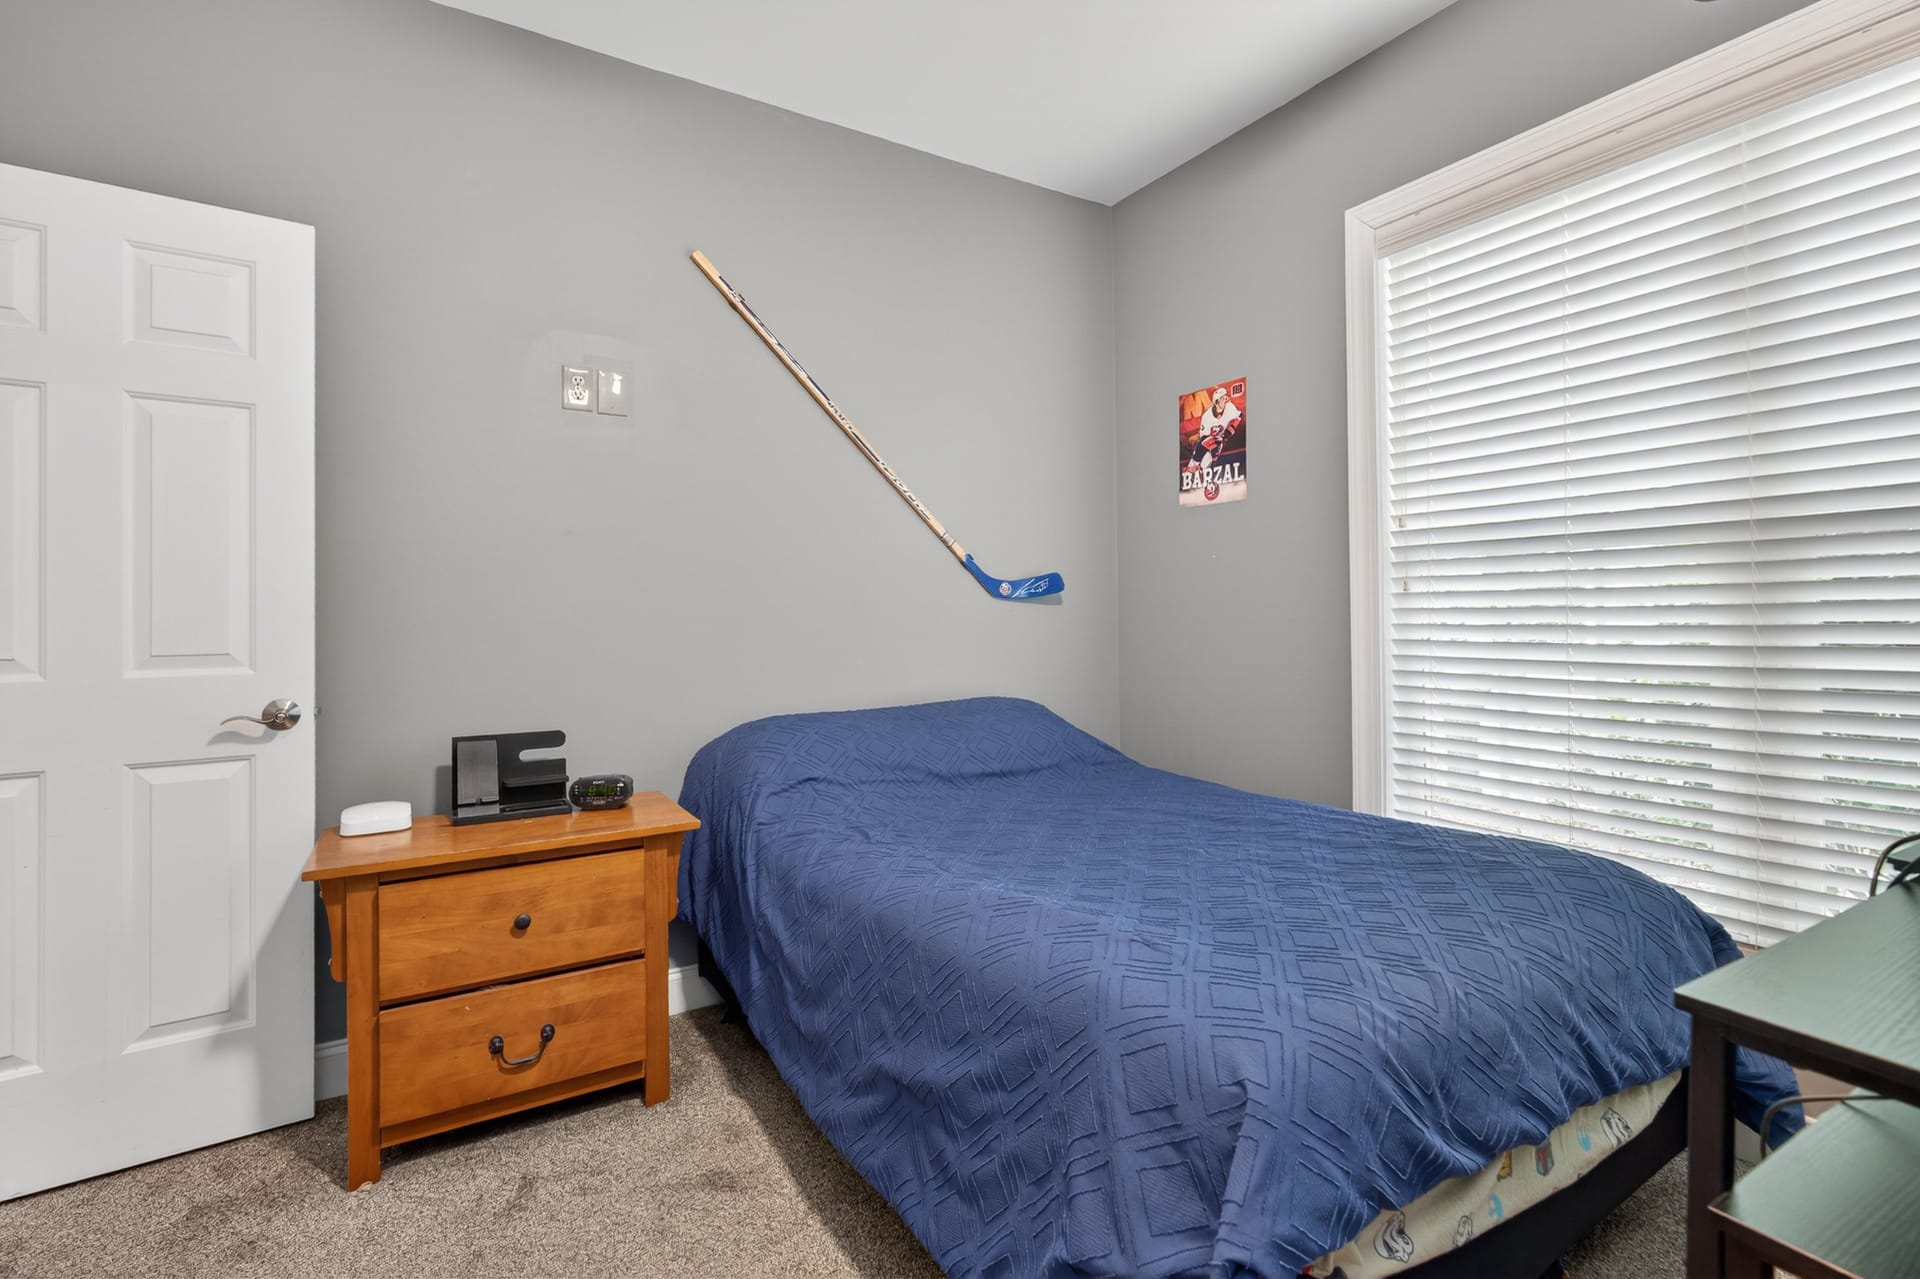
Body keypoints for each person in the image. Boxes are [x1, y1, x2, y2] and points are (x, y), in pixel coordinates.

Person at [1185, 385, 1242, 475]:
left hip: (1221, 440)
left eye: (1226, 397)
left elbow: (1239, 416)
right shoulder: (1207, 417)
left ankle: (1203, 469)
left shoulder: (1230, 407)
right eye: (1223, 398)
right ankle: (1194, 463)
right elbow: (1203, 439)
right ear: (1217, 401)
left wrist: (1229, 432)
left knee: (1207, 467)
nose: (1226, 399)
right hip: (1210, 442)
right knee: (1202, 462)